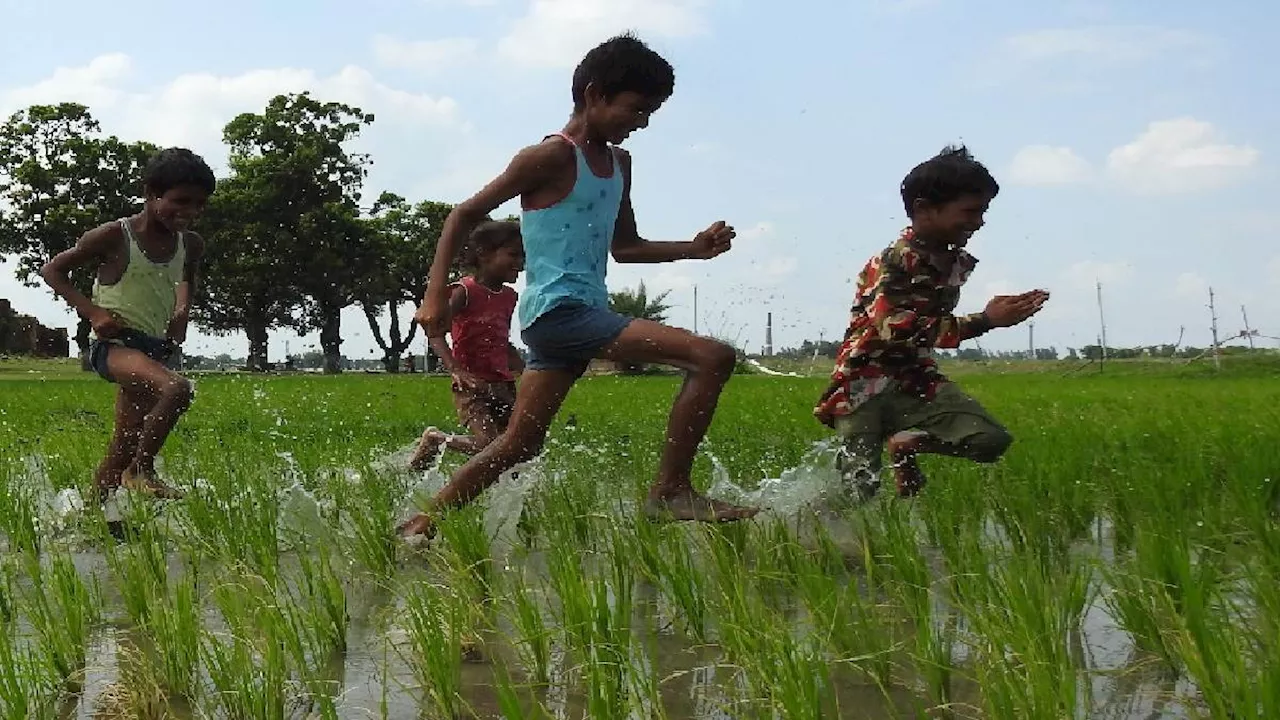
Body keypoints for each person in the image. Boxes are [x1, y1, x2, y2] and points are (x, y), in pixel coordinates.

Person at [399, 33, 758, 538]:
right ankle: (670, 490)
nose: (642, 123)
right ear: (594, 95)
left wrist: (693, 249)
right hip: (558, 314)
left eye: (650, 113)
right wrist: (435, 292)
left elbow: (625, 247)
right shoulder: (548, 157)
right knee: (713, 356)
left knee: (519, 444)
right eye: (635, 109)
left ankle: (422, 522)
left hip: (581, 314)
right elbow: (464, 213)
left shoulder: (619, 165)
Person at [814, 145, 1048, 499]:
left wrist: (990, 318)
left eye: (983, 211)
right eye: (970, 211)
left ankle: (907, 444)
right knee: (856, 493)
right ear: (924, 210)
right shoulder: (895, 260)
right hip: (863, 385)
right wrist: (986, 320)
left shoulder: (951, 260)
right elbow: (896, 328)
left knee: (989, 440)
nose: (979, 221)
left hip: (916, 378)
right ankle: (826, 546)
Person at [40, 147, 214, 503]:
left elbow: (187, 278)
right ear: (151, 194)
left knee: (125, 441)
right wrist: (95, 314)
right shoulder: (114, 236)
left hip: (153, 349)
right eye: (180, 201)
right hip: (114, 346)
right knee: (177, 390)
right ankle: (141, 470)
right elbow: (53, 270)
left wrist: (182, 311)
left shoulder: (190, 244)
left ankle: (91, 517)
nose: (189, 213)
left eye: (199, 205)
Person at [408, 220, 526, 470]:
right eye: (513, 254)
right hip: (471, 384)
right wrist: (455, 368)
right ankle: (436, 440)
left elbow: (500, 339)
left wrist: (525, 371)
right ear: (483, 254)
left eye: (524, 256)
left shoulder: (509, 296)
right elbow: (434, 329)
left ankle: (506, 495)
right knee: (487, 445)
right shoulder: (465, 290)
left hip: (503, 383)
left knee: (514, 448)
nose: (521, 263)